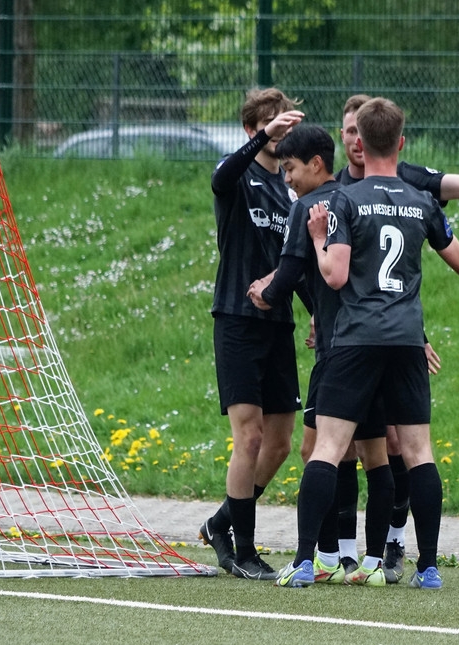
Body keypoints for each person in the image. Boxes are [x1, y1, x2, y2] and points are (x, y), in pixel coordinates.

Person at [290, 97, 459, 590]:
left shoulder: (344, 200)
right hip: (406, 342)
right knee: (419, 453)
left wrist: (318, 237)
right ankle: (428, 568)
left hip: (356, 339)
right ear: (401, 143)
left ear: (359, 140)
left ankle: (302, 564)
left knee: (330, 449)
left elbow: (335, 276)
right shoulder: (420, 201)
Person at [245, 123, 391, 589]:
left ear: (314, 164)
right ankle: (373, 561)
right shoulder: (359, 201)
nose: (285, 178)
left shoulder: (309, 207)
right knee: (376, 453)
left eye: (289, 168)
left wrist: (266, 293)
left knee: (317, 451)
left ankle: (313, 559)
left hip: (340, 349)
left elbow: (289, 275)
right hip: (382, 341)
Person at [197, 88, 305, 580]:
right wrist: (266, 133)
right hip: (238, 321)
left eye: (284, 123)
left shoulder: (291, 190)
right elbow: (220, 176)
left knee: (281, 443)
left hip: (278, 323)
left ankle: (221, 522)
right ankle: (243, 550)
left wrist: (317, 316)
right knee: (251, 437)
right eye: (270, 124)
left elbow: (294, 263)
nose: (281, 131)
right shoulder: (237, 179)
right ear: (253, 130)